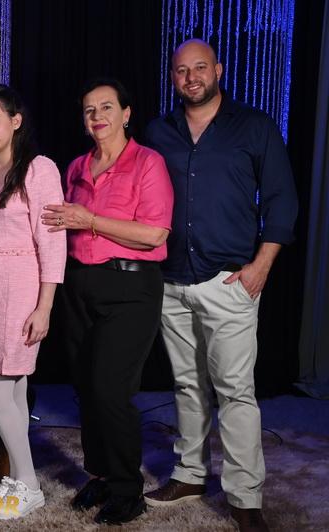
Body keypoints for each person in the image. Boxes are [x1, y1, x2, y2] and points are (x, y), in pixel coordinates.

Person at [142, 39, 298, 532]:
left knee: (235, 391)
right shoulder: (158, 131)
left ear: (218, 70)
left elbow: (281, 199)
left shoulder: (253, 126)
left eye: (200, 68)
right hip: (171, 280)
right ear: (173, 77)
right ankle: (190, 474)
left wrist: (261, 266)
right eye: (181, 70)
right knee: (187, 384)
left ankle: (245, 496)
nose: (191, 77)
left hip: (229, 281)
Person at [42, 78, 174, 525]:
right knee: (85, 387)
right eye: (89, 110)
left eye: (106, 107)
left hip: (130, 288)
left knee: (110, 389)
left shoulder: (148, 163)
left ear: (126, 113)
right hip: (80, 284)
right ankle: (100, 474)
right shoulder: (77, 167)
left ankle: (127, 489)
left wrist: (91, 220)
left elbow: (154, 233)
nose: (97, 116)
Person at [0, 84, 65, 519]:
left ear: (16, 120)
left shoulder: (39, 169)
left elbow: (53, 242)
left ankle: (28, 483)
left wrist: (45, 306)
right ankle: (19, 478)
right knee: (14, 389)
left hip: (19, 287)